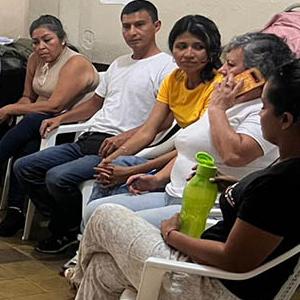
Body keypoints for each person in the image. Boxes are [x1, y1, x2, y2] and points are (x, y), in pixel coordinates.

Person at [31, 60, 300, 300]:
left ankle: (76, 275)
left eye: (264, 108)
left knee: (105, 215)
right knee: (103, 268)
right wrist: (235, 185)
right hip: (234, 286)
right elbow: (271, 216)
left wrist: (172, 235)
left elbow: (233, 260)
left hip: (216, 296)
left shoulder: (280, 185)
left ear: (286, 120)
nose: (260, 113)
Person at [80, 32, 292, 230]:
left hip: (207, 208)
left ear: (256, 76)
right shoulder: (229, 102)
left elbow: (234, 155)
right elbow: (188, 150)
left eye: (231, 64)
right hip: (173, 193)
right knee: (94, 211)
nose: (222, 70)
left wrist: (217, 108)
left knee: (108, 224)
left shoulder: (261, 113)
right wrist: (157, 179)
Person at [12, 0, 175, 255]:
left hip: (125, 147)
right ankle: (68, 223)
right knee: (25, 166)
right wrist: (62, 119)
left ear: (156, 26)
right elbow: (93, 105)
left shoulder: (167, 67)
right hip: (88, 138)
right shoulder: (119, 63)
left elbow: (165, 121)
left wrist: (124, 137)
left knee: (58, 177)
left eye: (139, 25)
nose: (132, 32)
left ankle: (68, 230)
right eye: (126, 26)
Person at [0, 15, 98, 235]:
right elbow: (28, 97)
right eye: (35, 42)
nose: (41, 47)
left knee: (32, 122)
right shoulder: (35, 60)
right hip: (40, 125)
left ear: (62, 39)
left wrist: (11, 109)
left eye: (47, 40)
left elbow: (56, 105)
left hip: (69, 126)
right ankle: (15, 210)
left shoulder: (75, 63)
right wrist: (18, 107)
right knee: (26, 142)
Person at [90, 14, 224, 193]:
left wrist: (132, 171)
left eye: (198, 47)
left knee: (122, 182)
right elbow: (147, 131)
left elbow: (193, 147)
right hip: (179, 154)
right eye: (181, 46)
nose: (188, 54)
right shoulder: (173, 79)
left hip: (201, 163)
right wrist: (108, 161)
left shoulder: (219, 86)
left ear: (211, 51)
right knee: (108, 171)